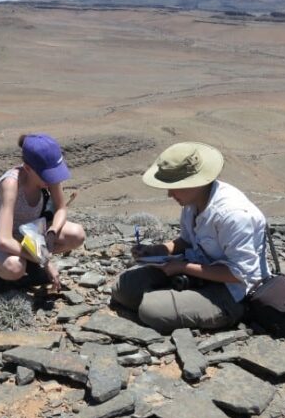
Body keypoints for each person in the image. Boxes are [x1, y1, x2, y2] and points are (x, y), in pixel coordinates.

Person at [111, 142, 269, 333]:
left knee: (150, 310)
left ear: (196, 182)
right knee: (124, 288)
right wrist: (156, 250)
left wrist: (182, 267)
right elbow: (186, 241)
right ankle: (180, 299)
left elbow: (239, 274)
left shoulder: (233, 215)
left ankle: (231, 314)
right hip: (197, 272)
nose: (170, 194)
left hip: (232, 291)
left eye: (174, 187)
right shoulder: (192, 202)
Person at [0, 134, 85, 291]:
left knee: (77, 235)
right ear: (27, 168)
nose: (53, 179)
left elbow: (61, 208)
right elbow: (4, 240)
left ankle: (29, 260)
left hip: (29, 232)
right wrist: (45, 260)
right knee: (15, 267)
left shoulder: (47, 177)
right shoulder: (11, 185)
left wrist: (52, 231)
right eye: (48, 175)